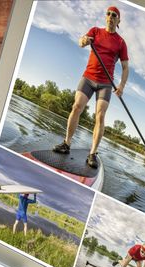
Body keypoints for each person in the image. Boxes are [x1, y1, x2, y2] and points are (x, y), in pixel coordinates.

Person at [53, 6, 129, 169]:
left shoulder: (121, 43)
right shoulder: (95, 31)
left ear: (118, 21)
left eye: (114, 15)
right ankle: (66, 144)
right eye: (108, 14)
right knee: (76, 107)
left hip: (105, 84)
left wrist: (121, 85)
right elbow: (81, 42)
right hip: (88, 78)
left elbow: (125, 67)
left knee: (100, 116)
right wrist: (84, 40)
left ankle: (92, 154)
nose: (110, 17)